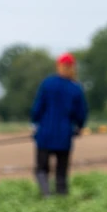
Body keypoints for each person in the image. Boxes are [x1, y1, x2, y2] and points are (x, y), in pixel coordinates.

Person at [31, 52, 88, 196]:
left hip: (45, 133)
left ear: (58, 66)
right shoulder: (75, 87)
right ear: (73, 68)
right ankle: (62, 194)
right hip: (64, 134)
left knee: (42, 168)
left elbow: (38, 107)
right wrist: (79, 127)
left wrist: (34, 124)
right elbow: (81, 112)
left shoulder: (48, 83)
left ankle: (46, 194)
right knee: (61, 170)